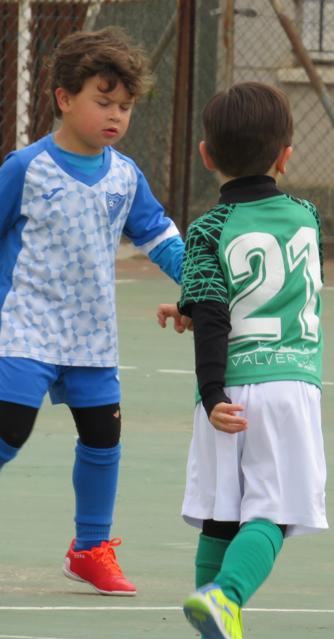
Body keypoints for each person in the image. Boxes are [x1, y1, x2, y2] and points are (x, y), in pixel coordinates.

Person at [0, 28, 183, 596]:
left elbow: (160, 237)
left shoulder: (124, 176)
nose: (115, 116)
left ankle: (90, 549)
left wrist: (202, 283)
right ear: (64, 98)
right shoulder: (26, 168)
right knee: (9, 431)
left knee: (104, 438)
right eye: (103, 102)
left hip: (92, 335)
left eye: (124, 106)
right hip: (24, 327)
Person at [159, 82, 326, 639]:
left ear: (206, 155)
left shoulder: (208, 227)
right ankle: (225, 599)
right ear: (286, 155)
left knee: (220, 517)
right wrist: (196, 307)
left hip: (228, 391)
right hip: (289, 387)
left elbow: (214, 310)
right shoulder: (307, 217)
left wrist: (211, 395)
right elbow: (270, 289)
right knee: (272, 515)